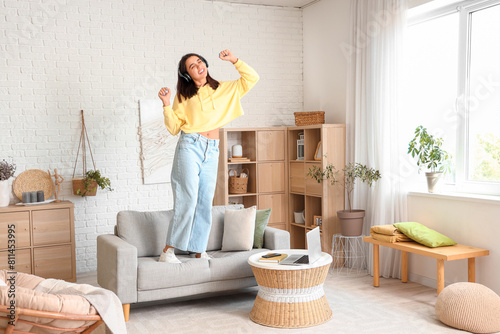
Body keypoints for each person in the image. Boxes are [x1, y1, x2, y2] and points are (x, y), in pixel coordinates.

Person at [157, 49, 259, 263]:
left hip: (213, 148)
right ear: (187, 74)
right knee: (188, 198)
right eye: (191, 66)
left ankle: (198, 248)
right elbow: (175, 128)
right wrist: (166, 104)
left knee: (205, 201)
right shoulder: (183, 96)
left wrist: (234, 60)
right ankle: (168, 251)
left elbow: (252, 78)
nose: (198, 66)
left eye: (199, 61)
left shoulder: (224, 88)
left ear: (205, 64)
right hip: (190, 146)